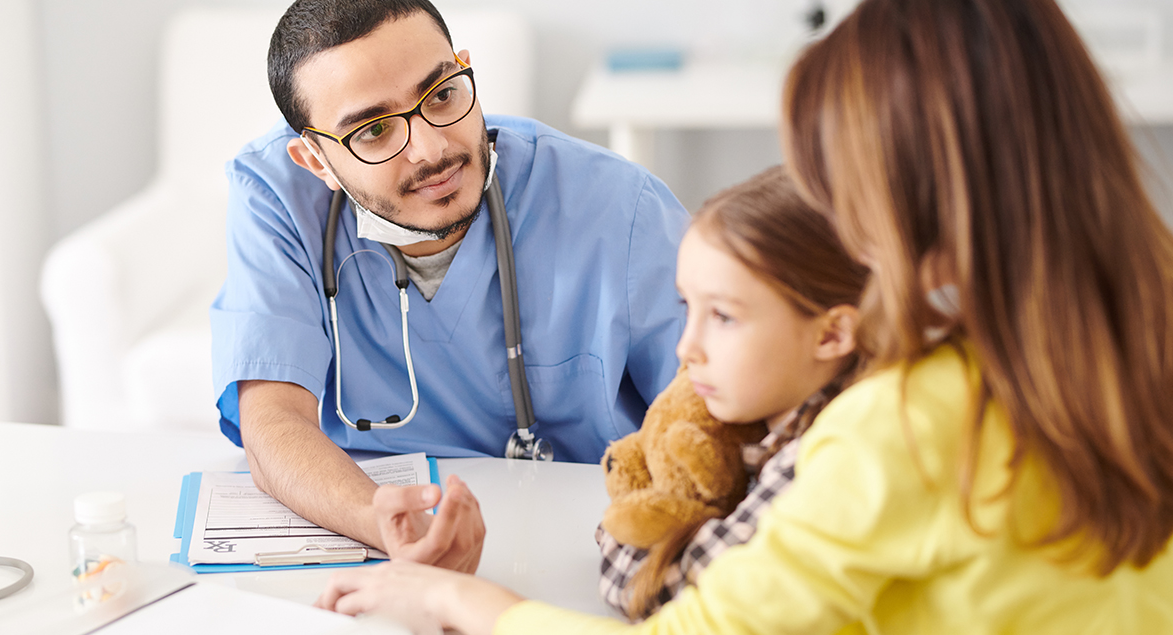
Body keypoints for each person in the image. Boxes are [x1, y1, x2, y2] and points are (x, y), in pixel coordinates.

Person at [314, 0, 1173, 632]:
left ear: (921, 200)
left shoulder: (907, 423)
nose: (831, 215)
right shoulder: (1140, 342)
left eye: (841, 182)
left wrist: (456, 598)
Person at [210, 0, 687, 571]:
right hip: (369, 541)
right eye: (375, 129)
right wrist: (387, 524)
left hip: (584, 546)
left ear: (464, 67)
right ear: (316, 161)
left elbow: (720, 416)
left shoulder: (617, 205)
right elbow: (273, 422)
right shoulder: (278, 198)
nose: (432, 150)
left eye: (441, 95)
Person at [596, 166, 868, 620]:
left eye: (723, 316)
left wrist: (622, 522)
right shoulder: (764, 421)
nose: (686, 348)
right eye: (689, 306)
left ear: (831, 334)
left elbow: (659, 592)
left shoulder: (822, 456)